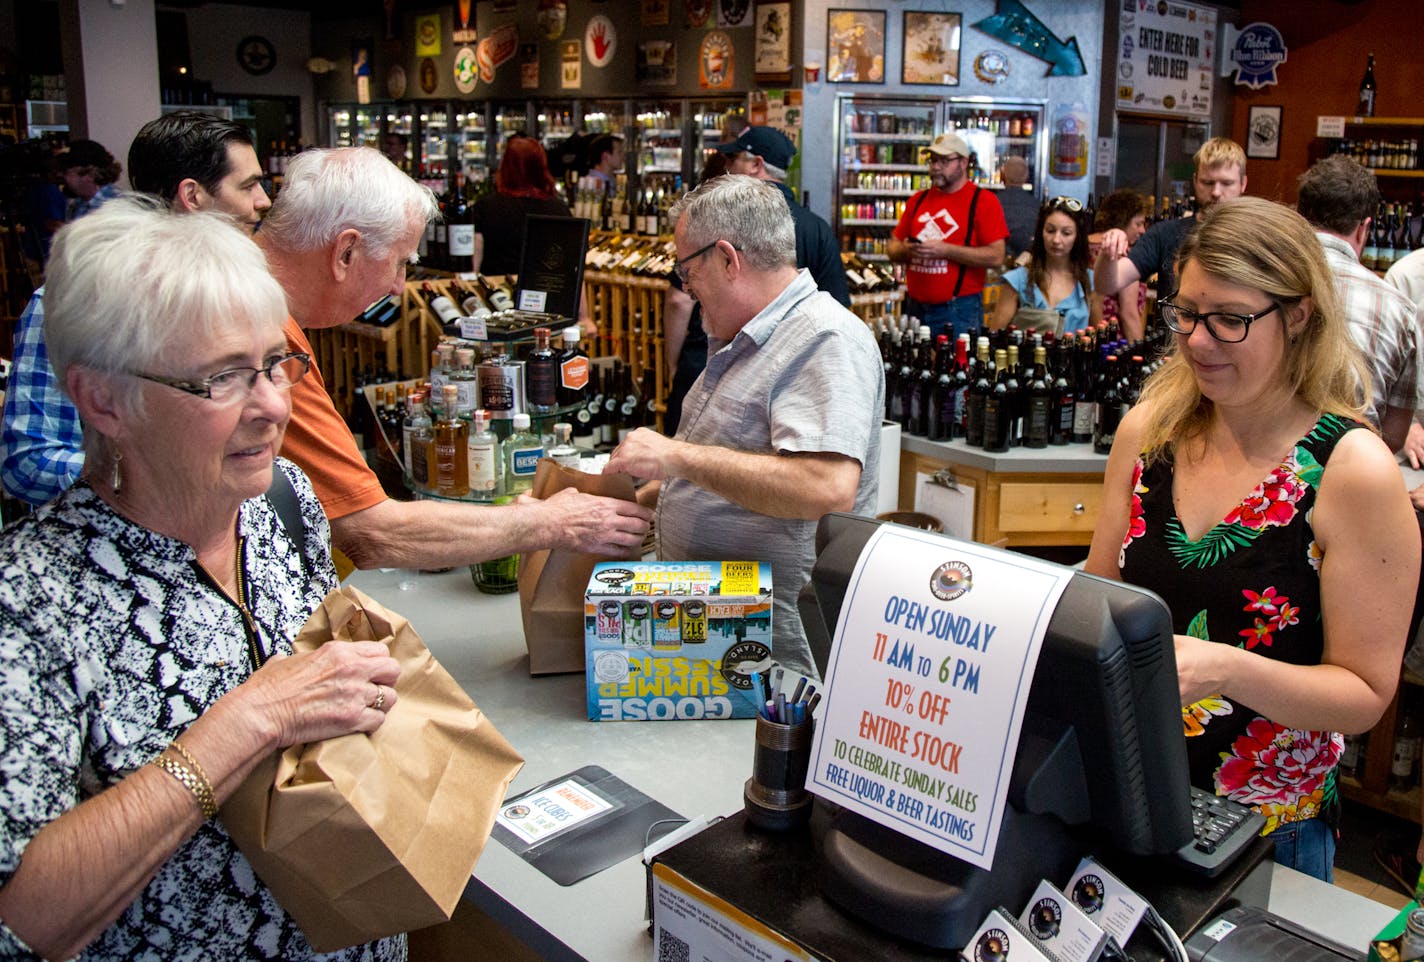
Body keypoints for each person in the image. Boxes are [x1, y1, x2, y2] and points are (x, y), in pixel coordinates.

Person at [0, 196, 404, 959]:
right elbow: (23, 922)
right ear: (103, 398)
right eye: (222, 379)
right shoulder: (29, 605)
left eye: (275, 366)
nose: (271, 408)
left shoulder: (281, 503)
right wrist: (247, 723)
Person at [1084, 197, 1419, 882]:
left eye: (1230, 320)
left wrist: (1225, 670)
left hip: (1268, 837)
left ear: (1298, 316)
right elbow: (1096, 600)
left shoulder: (1349, 471)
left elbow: (1364, 693)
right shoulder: (1149, 433)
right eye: (1186, 314)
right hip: (1123, 798)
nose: (1198, 341)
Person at [259, 146, 649, 570]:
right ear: (345, 252)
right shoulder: (261, 340)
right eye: (399, 263)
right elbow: (372, 532)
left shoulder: (249, 304)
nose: (397, 287)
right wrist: (552, 521)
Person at [605, 175, 883, 679]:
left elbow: (825, 487)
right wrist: (638, 506)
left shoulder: (825, 339)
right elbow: (727, 464)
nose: (684, 288)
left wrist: (674, 456)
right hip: (717, 636)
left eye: (687, 271)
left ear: (729, 259)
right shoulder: (743, 336)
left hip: (778, 659)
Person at [2, 112, 273, 506]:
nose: (262, 201)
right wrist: (155, 476)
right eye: (248, 185)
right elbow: (28, 464)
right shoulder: (71, 305)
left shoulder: (243, 296)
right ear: (193, 195)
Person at [1296, 154, 1423, 456]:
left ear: (1299, 214)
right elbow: (1392, 437)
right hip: (1352, 470)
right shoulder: (1398, 307)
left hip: (1256, 471)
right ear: (1364, 227)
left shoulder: (1260, 277)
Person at [1095, 137, 1246, 304]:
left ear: (1243, 184)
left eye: (1226, 183)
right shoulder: (1165, 234)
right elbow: (1106, 285)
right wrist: (1108, 251)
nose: (1216, 192)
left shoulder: (1258, 238)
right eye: (1207, 182)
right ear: (1195, 181)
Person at [889, 132, 1009, 340]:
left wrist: (946, 250)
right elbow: (892, 247)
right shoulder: (918, 199)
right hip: (914, 308)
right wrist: (906, 250)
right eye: (933, 160)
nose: (935, 167)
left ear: (963, 162)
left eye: (944, 161)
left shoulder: (983, 201)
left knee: (955, 369)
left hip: (958, 310)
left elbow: (996, 256)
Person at [715, 125, 850, 307]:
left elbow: (683, 298)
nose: (727, 167)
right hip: (803, 334)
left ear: (756, 164)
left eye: (732, 159)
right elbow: (837, 306)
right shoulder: (818, 229)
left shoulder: (722, 218)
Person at [990, 196, 1101, 335]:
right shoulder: (1018, 280)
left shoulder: (1090, 282)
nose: (1056, 240)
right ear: (1040, 233)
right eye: (1050, 231)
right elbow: (994, 335)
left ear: (1078, 237)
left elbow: (1098, 335)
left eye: (1066, 233)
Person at [472, 134, 575, 277]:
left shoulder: (486, 206)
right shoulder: (559, 209)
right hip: (543, 290)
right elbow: (570, 262)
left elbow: (475, 257)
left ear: (506, 166)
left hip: (498, 291)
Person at [1087, 189, 1149, 340]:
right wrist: (1138, 352)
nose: (1142, 230)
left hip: (1086, 338)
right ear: (1122, 220)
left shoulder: (1083, 244)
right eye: (1138, 224)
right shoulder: (1119, 251)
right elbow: (1128, 314)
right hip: (1113, 341)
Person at [58, 139, 123, 221]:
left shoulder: (118, 207)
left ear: (90, 174)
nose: (60, 175)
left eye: (65, 172)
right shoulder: (74, 205)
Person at [997, 156, 1039, 260]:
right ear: (1026, 176)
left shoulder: (992, 202)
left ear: (1003, 174)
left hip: (996, 263)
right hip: (1025, 263)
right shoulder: (1036, 205)